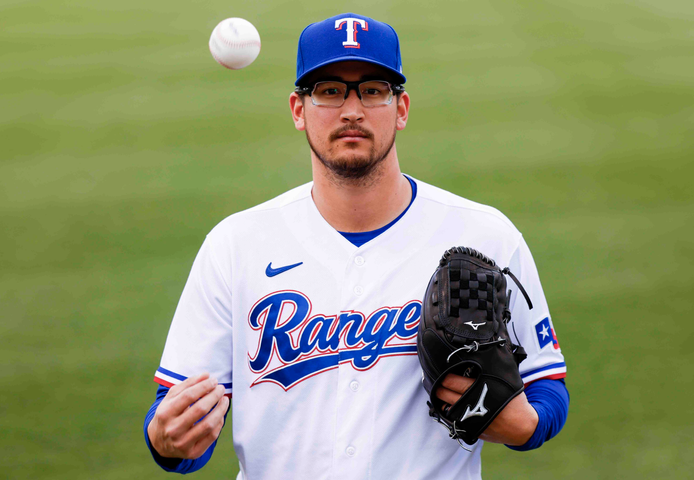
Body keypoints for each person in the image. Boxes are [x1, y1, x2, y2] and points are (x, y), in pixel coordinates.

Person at [144, 12, 569, 479]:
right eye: (329, 91)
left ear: (401, 107)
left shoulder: (484, 235)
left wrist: (527, 426)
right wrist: (168, 441)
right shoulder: (235, 244)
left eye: (372, 90)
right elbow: (179, 419)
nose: (351, 110)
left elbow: (546, 386)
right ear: (298, 110)